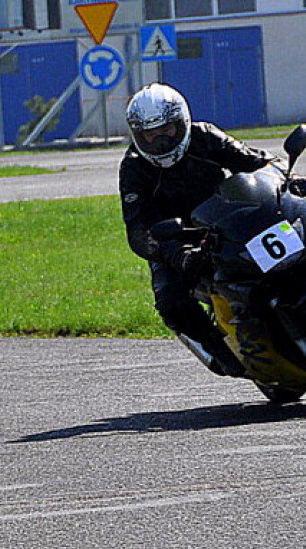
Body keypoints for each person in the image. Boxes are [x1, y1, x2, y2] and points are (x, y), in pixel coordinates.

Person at [118, 83, 279, 378]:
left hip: (228, 220)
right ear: (137, 135)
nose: (159, 140)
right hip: (176, 241)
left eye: (166, 129)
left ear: (182, 122)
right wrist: (169, 251)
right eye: (149, 134)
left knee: (288, 232)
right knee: (171, 302)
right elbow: (137, 228)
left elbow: (254, 161)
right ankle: (220, 352)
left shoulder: (205, 137)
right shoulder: (133, 167)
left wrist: (286, 179)